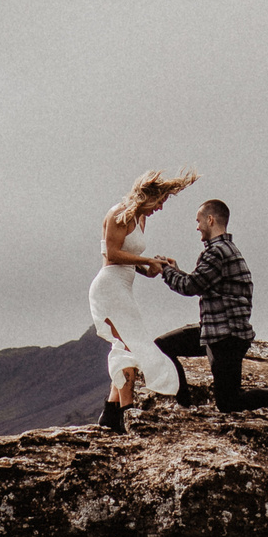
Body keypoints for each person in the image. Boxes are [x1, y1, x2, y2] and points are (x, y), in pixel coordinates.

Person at [149, 198, 268, 418]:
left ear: (210, 220)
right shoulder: (225, 250)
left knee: (228, 401)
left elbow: (190, 286)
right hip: (215, 330)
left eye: (199, 221)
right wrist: (174, 270)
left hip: (226, 337)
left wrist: (165, 271)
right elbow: (201, 282)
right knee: (162, 345)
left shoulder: (216, 252)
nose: (197, 227)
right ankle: (183, 402)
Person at [89, 168, 198, 431]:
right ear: (149, 196)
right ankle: (126, 413)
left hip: (123, 286)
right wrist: (146, 260)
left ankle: (112, 414)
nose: (160, 208)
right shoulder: (119, 213)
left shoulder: (139, 219)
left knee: (125, 345)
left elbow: (134, 265)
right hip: (109, 287)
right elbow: (113, 254)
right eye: (160, 201)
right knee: (128, 344)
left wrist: (154, 267)